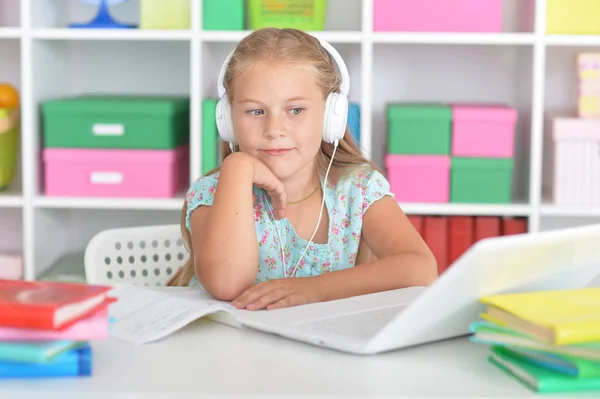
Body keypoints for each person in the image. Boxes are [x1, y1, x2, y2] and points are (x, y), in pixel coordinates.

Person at [167, 28, 437, 310]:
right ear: (228, 121)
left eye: (295, 110)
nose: (274, 130)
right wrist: (237, 168)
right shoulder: (213, 193)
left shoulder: (357, 189)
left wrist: (316, 290)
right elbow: (227, 284)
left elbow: (420, 269)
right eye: (256, 112)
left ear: (331, 116)